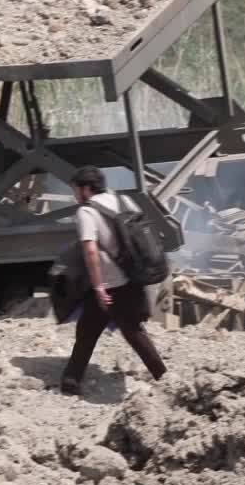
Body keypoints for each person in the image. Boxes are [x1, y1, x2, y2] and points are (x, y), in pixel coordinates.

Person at [60, 166, 167, 395]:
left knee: (131, 331)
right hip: (133, 276)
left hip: (109, 283)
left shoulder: (87, 212)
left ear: (86, 188)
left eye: (75, 190)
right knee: (89, 328)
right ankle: (70, 380)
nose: (74, 195)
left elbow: (90, 250)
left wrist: (98, 286)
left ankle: (165, 377)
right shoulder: (125, 201)